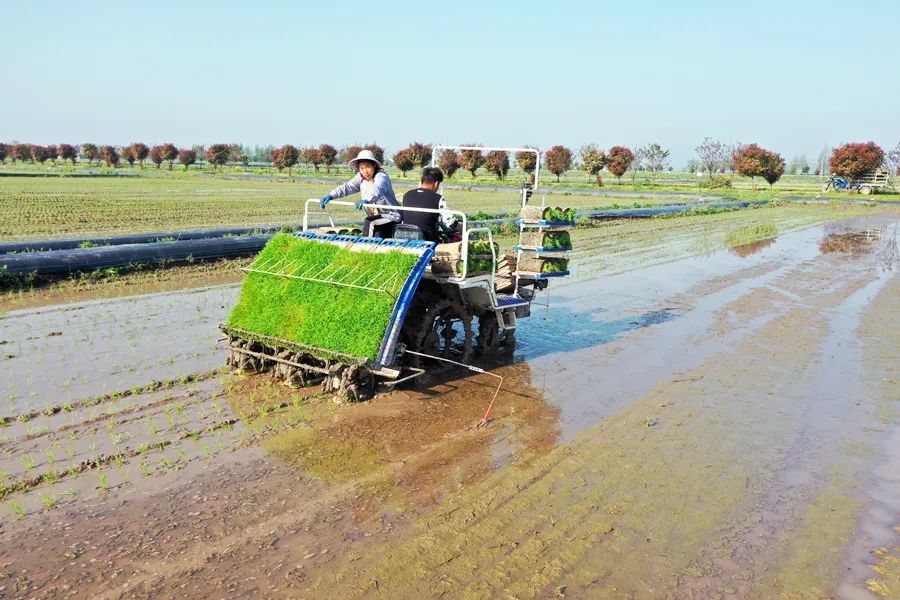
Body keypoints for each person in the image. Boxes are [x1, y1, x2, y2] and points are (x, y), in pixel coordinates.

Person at [320, 149, 400, 238]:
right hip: (376, 218)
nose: (365, 171)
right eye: (362, 168)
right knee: (358, 231)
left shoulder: (381, 177)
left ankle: (366, 246)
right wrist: (331, 195)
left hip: (391, 216)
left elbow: (377, 189)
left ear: (374, 166)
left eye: (368, 167)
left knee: (369, 222)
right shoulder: (361, 178)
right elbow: (347, 187)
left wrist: (367, 200)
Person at [400, 166, 456, 242]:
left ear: (422, 181)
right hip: (427, 239)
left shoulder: (407, 195)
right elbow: (449, 222)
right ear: (436, 183)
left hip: (404, 237)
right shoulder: (438, 198)